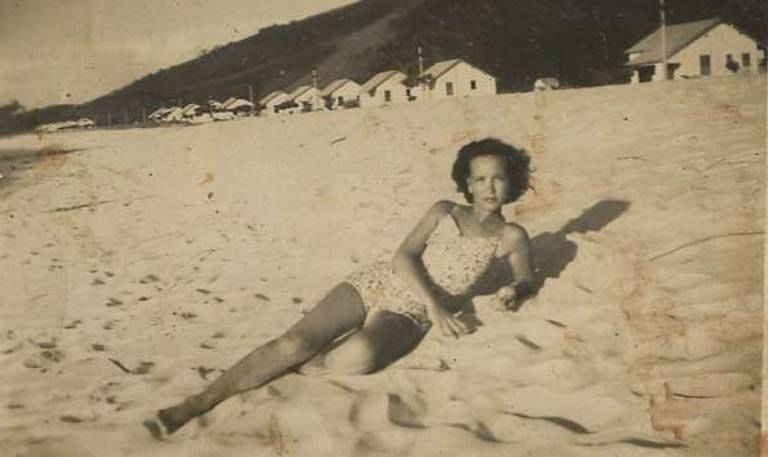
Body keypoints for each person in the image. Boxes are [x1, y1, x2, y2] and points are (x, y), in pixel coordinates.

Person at [144, 138, 536, 438]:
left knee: (355, 358)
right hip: (382, 281)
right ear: (467, 183)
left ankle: (303, 362)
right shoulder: (444, 210)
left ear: (512, 182)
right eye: (480, 178)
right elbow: (404, 256)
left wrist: (513, 292)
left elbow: (525, 279)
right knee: (294, 342)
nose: (489, 187)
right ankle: (196, 403)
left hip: (409, 313)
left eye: (498, 178)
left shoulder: (511, 235)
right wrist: (437, 306)